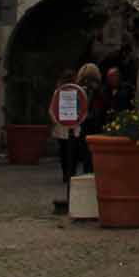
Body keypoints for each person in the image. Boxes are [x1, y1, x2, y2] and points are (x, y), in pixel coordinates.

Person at [47, 69, 89, 208]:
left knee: (67, 151)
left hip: (70, 126)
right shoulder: (61, 92)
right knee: (67, 151)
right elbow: (53, 109)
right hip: (66, 127)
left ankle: (68, 172)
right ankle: (68, 172)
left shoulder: (76, 91)